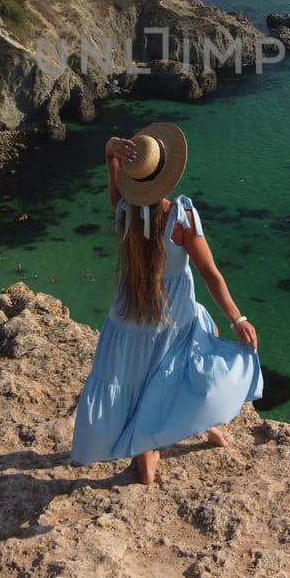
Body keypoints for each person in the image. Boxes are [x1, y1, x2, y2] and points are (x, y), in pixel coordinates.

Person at [71, 122, 263, 485]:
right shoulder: (182, 217)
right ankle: (207, 425)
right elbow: (210, 274)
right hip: (173, 315)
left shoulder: (125, 208)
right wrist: (239, 318)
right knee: (195, 362)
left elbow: (113, 175)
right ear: (167, 176)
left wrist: (111, 151)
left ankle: (147, 460)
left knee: (139, 382)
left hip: (128, 317)